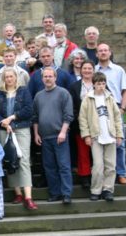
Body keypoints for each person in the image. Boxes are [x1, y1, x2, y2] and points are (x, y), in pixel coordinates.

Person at [0, 68, 38, 210]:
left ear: (16, 77)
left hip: (22, 128)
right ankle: (17, 193)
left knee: (24, 159)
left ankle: (28, 197)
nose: (9, 79)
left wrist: (12, 118)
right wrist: (4, 123)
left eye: (11, 76)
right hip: (4, 130)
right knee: (10, 160)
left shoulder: (23, 91)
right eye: (6, 77)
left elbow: (28, 109)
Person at [79, 72, 123, 202]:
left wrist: (119, 134)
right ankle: (96, 190)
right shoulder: (88, 98)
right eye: (99, 84)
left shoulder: (109, 98)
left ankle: (108, 189)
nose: (101, 86)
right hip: (96, 136)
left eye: (103, 83)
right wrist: (86, 135)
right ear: (94, 84)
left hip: (110, 135)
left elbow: (117, 117)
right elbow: (83, 118)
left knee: (111, 165)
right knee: (98, 165)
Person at [33, 67, 74, 204]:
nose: (48, 78)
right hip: (45, 137)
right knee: (49, 167)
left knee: (64, 166)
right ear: (42, 78)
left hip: (59, 136)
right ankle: (55, 193)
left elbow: (68, 115)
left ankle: (66, 193)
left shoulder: (63, 93)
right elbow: (35, 117)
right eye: (45, 76)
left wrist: (63, 132)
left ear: (55, 77)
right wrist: (36, 133)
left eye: (50, 76)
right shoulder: (38, 96)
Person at [95, 43, 126, 184]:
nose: (103, 53)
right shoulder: (93, 70)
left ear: (110, 53)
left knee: (119, 142)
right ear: (97, 54)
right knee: (100, 141)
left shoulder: (118, 70)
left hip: (115, 108)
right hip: (98, 108)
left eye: (105, 50)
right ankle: (105, 174)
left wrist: (122, 108)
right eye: (100, 51)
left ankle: (121, 173)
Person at [69, 60, 95, 188]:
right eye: (85, 68)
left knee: (96, 153)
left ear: (93, 70)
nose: (87, 71)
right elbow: (72, 106)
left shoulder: (100, 84)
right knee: (83, 152)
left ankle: (96, 176)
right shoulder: (75, 86)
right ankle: (85, 177)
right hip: (80, 125)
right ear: (81, 70)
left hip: (98, 126)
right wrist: (78, 118)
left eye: (90, 68)